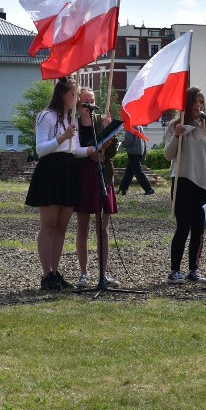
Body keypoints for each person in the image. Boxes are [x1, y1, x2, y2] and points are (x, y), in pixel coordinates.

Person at [25, 77, 95, 291]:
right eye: (73, 95)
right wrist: (62, 137)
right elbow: (40, 149)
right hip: (50, 171)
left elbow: (75, 150)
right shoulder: (46, 116)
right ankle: (46, 274)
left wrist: (93, 150)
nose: (76, 99)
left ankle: (55, 272)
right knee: (49, 226)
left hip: (68, 170)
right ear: (62, 94)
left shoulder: (69, 117)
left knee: (61, 228)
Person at [163, 86, 206, 285]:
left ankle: (193, 269)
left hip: (204, 184)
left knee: (199, 228)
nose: (198, 105)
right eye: (194, 102)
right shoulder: (175, 125)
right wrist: (177, 135)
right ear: (186, 104)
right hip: (182, 180)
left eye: (201, 102)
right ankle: (174, 270)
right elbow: (168, 155)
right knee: (183, 226)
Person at [72, 88, 120, 289]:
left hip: (102, 175)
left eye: (91, 101)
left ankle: (103, 272)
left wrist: (110, 138)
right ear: (77, 104)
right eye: (85, 102)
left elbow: (113, 151)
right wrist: (91, 154)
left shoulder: (101, 120)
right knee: (83, 226)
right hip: (82, 177)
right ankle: (83, 273)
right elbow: (72, 151)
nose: (89, 106)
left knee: (103, 228)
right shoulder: (72, 123)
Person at [118, 125, 155, 195]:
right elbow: (143, 139)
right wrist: (144, 153)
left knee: (138, 171)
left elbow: (128, 140)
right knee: (129, 171)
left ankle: (149, 189)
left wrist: (122, 144)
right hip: (139, 151)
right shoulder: (139, 126)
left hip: (133, 151)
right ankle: (123, 188)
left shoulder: (130, 125)